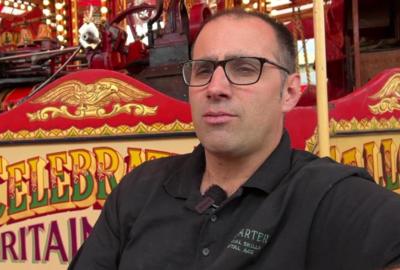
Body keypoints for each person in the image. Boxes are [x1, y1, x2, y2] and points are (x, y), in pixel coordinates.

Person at [69, 9, 400, 270]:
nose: (215, 88)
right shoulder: (139, 190)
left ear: (289, 92)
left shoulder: (327, 196)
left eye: (244, 69)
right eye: (203, 70)